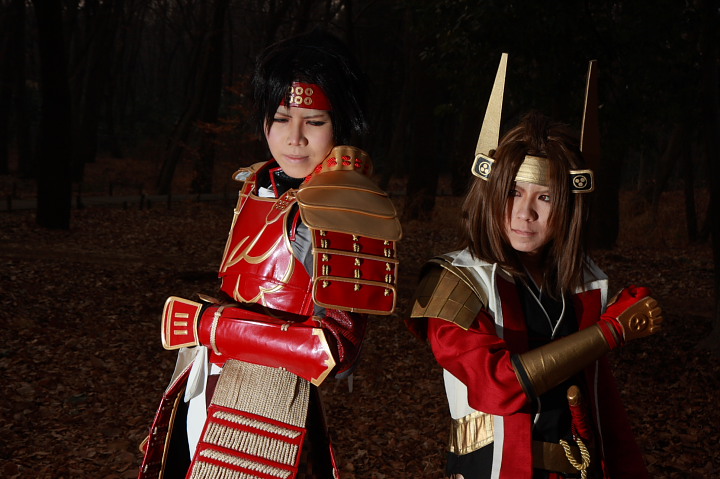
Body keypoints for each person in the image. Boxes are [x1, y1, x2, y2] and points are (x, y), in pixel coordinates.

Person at [138, 30, 401, 479]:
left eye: (314, 121)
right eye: (281, 118)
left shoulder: (344, 209)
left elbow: (334, 348)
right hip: (203, 384)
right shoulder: (258, 184)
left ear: (341, 124)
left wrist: (211, 325)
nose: (294, 138)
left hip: (271, 411)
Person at [408, 54, 662, 479]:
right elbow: (496, 384)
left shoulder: (579, 284)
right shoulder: (454, 280)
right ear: (491, 194)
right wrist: (610, 332)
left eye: (544, 197)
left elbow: (604, 409)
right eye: (513, 192)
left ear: (568, 208)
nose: (525, 213)